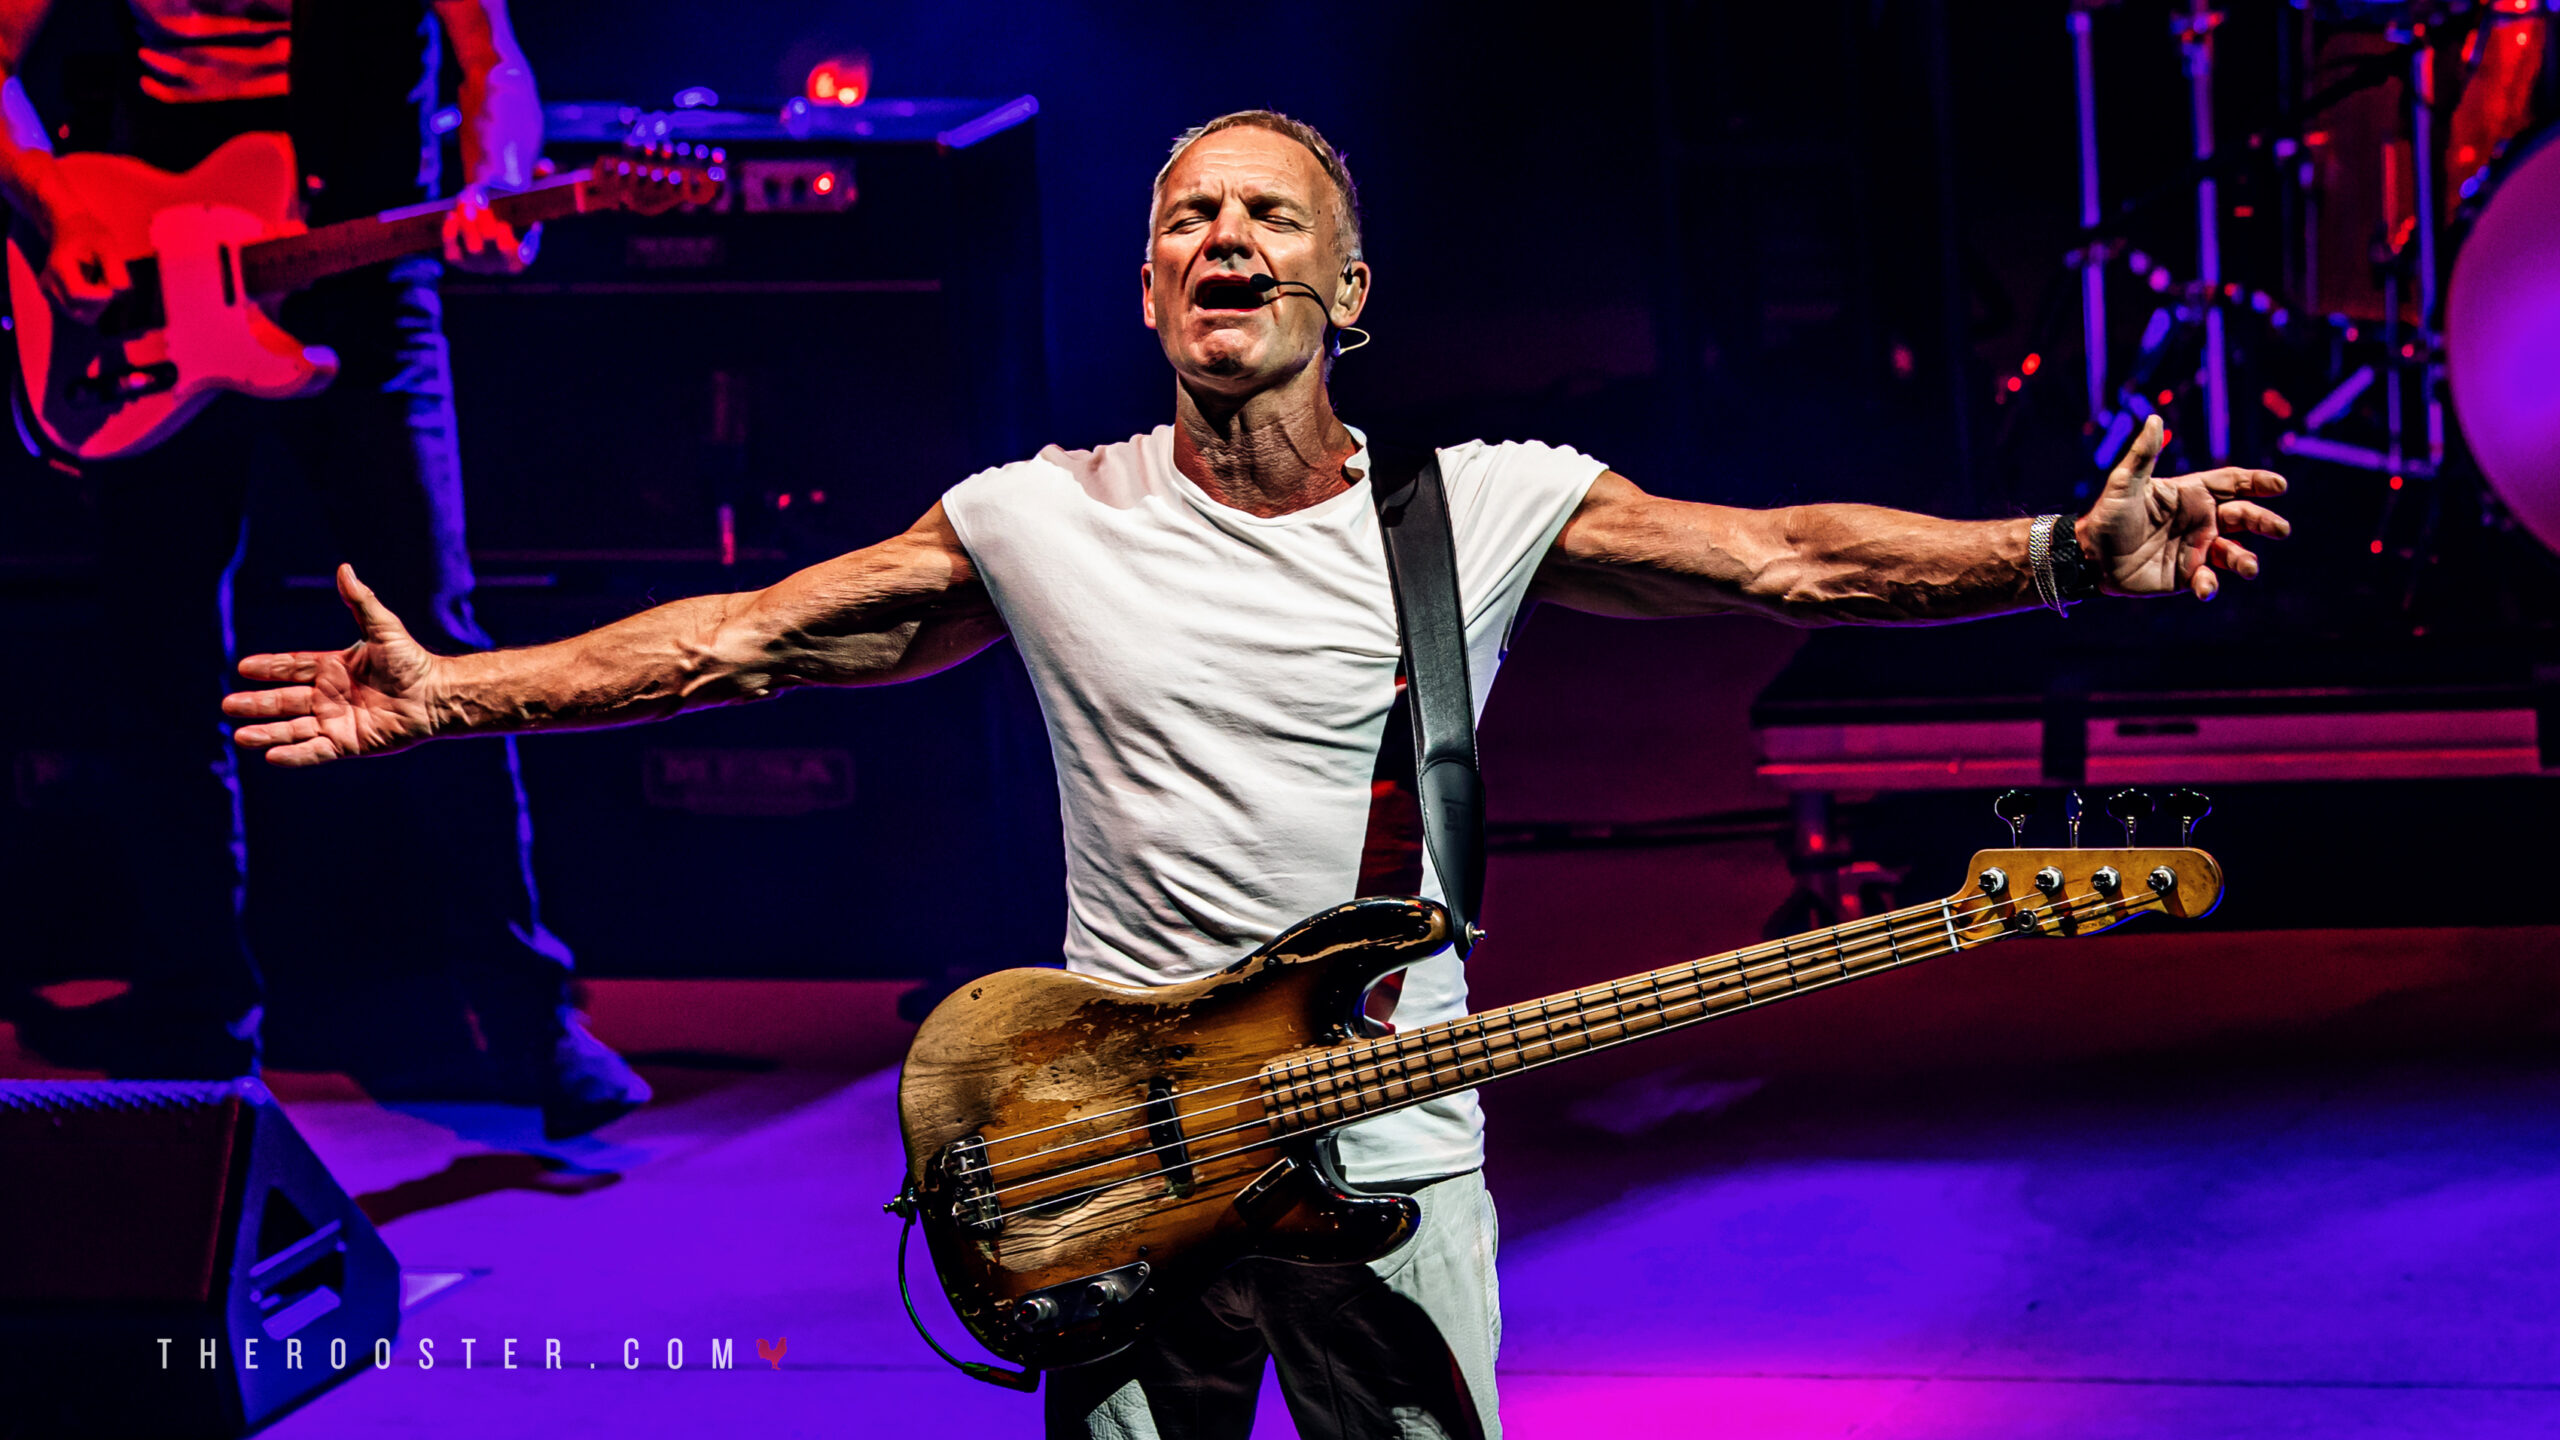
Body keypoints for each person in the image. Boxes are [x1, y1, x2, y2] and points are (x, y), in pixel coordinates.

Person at [218, 111, 2288, 1438]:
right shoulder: (1038, 516)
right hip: (1112, 1157)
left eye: (1268, 214)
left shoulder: (1476, 508)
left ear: (1342, 291)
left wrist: (2044, 557)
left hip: (1390, 1156)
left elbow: (1783, 557)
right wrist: (455, 694)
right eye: (1184, 215)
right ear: (1148, 290)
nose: (1223, 236)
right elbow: (749, 636)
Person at [0, 0, 648, 1138]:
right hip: (151, 285)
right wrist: (53, 202)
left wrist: (495, 180)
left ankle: (527, 1011)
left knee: (435, 647)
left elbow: (491, 54)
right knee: (163, 665)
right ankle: (199, 1022)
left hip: (358, 271)